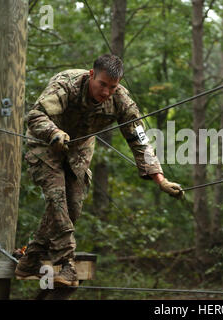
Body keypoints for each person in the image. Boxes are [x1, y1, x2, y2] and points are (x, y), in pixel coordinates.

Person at [15, 54, 184, 286]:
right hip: (45, 144)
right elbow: (35, 115)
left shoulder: (121, 100)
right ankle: (67, 264)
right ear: (91, 74)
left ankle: (30, 259)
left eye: (112, 87)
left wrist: (160, 179)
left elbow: (140, 139)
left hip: (79, 149)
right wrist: (53, 132)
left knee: (73, 205)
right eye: (102, 84)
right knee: (57, 198)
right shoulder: (66, 84)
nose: (106, 92)